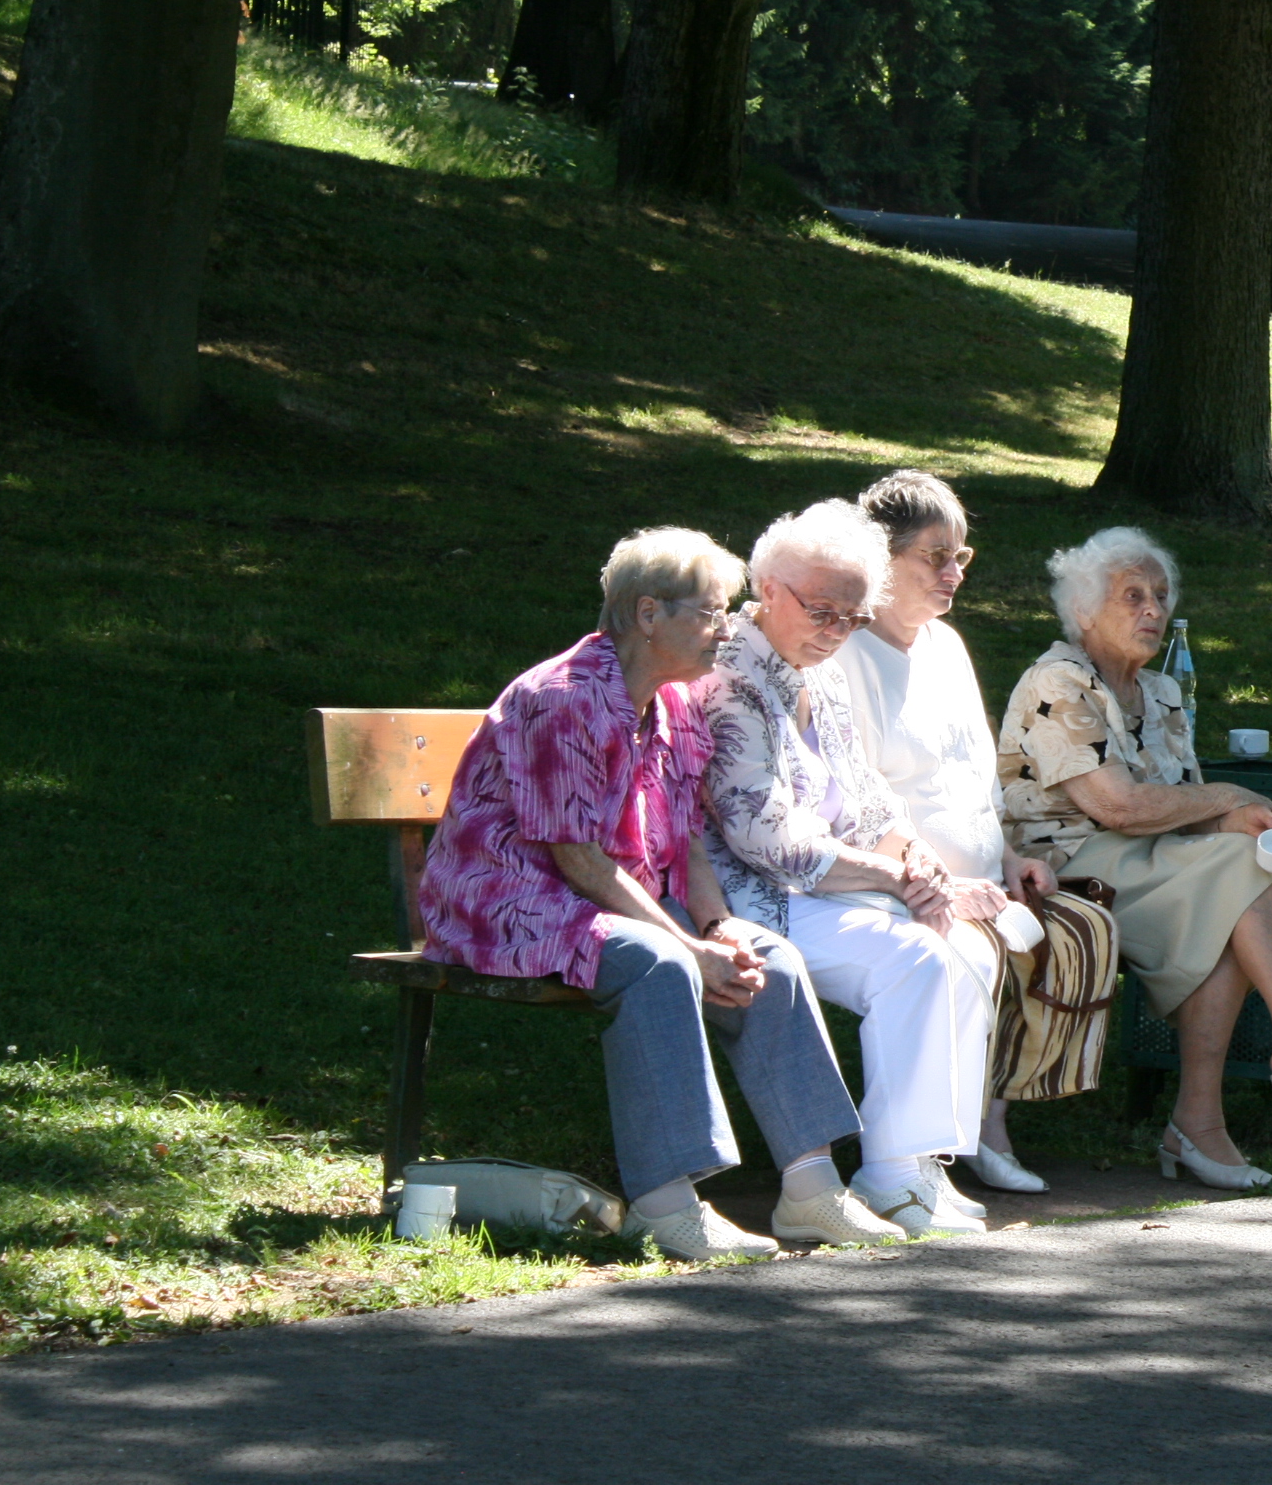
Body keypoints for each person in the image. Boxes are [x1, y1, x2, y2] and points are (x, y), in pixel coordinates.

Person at [419, 527, 898, 1260]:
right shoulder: (564, 700)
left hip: (602, 899)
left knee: (769, 955)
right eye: (710, 611)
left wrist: (718, 927)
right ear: (648, 615)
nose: (726, 626)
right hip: (507, 901)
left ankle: (812, 1189)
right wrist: (687, 947)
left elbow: (685, 841)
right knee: (659, 964)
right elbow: (576, 859)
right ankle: (666, 1202)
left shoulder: (675, 706)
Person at [996, 527, 1272, 1190]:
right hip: (1066, 865)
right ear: (1084, 611)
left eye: (1161, 596)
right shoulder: (1056, 681)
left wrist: (1235, 816)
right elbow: (1117, 807)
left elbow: (1180, 804)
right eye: (1132, 596)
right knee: (1240, 878)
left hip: (1150, 858)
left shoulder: (1164, 694)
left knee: (1246, 866)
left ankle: (1204, 1120)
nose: (1153, 609)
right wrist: (1228, 796)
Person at [700, 500, 1009, 1236]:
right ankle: (890, 1174)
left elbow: (869, 799)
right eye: (821, 611)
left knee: (965, 946)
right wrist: (897, 880)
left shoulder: (823, 671)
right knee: (911, 956)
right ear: (767, 587)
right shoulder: (729, 681)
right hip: (754, 899)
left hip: (827, 888)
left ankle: (919, 1163)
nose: (836, 630)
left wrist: (924, 866)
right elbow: (763, 839)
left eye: (850, 616)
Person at [834, 467, 1075, 1196]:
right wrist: (939, 884)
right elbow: (861, 801)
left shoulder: (946, 646)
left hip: (977, 875)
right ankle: (923, 1158)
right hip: (892, 887)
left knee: (1071, 927)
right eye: (934, 557)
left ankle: (983, 1121)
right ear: (880, 557)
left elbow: (973, 773)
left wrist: (1008, 856)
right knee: (966, 952)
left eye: (960, 557)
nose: (952, 573)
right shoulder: (842, 655)